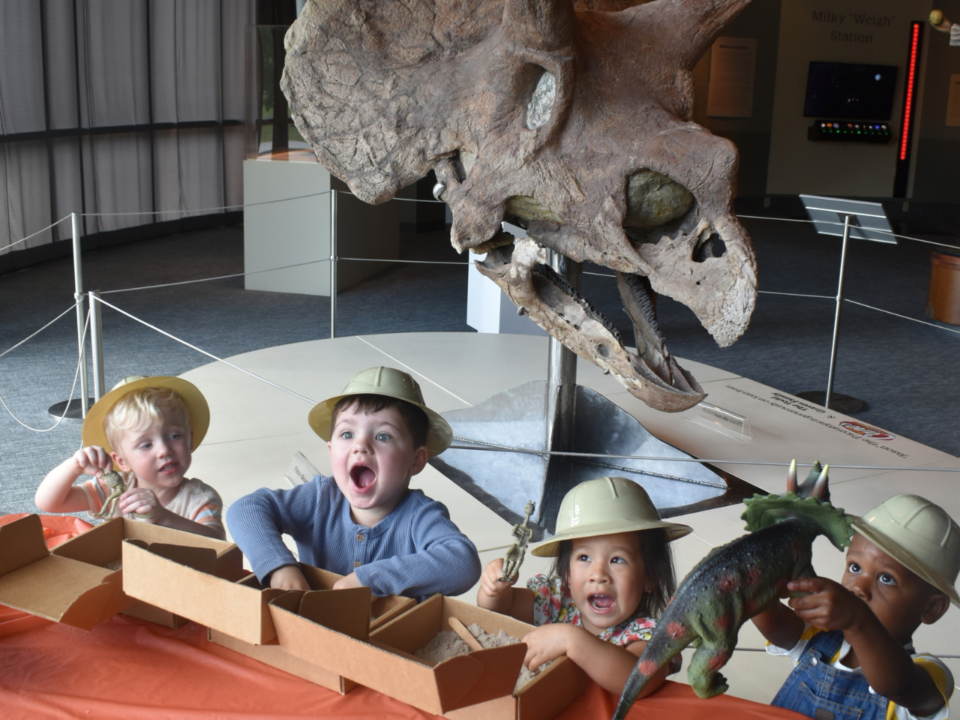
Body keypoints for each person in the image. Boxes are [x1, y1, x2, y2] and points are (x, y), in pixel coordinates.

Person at [226, 366, 481, 600]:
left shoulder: (420, 516)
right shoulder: (320, 498)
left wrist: (370, 579)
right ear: (330, 449)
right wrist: (279, 566)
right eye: (347, 434)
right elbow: (246, 509)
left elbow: (463, 562)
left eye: (383, 436)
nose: (360, 446)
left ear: (416, 461)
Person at [477, 476, 691, 697]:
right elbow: (499, 609)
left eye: (617, 559)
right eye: (584, 557)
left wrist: (572, 640)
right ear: (567, 572)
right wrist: (494, 589)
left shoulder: (646, 634)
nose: (598, 575)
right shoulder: (557, 603)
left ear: (650, 575)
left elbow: (640, 680)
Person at [752, 494, 958, 720]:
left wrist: (859, 620)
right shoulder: (819, 637)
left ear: (932, 608)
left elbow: (897, 686)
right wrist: (759, 584)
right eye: (855, 567)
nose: (858, 587)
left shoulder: (929, 672)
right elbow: (776, 626)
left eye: (886, 579)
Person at [36, 375, 225, 539]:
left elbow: (217, 543)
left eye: (174, 436)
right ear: (121, 461)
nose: (164, 450)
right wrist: (73, 467)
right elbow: (48, 503)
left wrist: (164, 517)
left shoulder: (200, 499)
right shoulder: (115, 489)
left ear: (190, 439)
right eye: (146, 445)